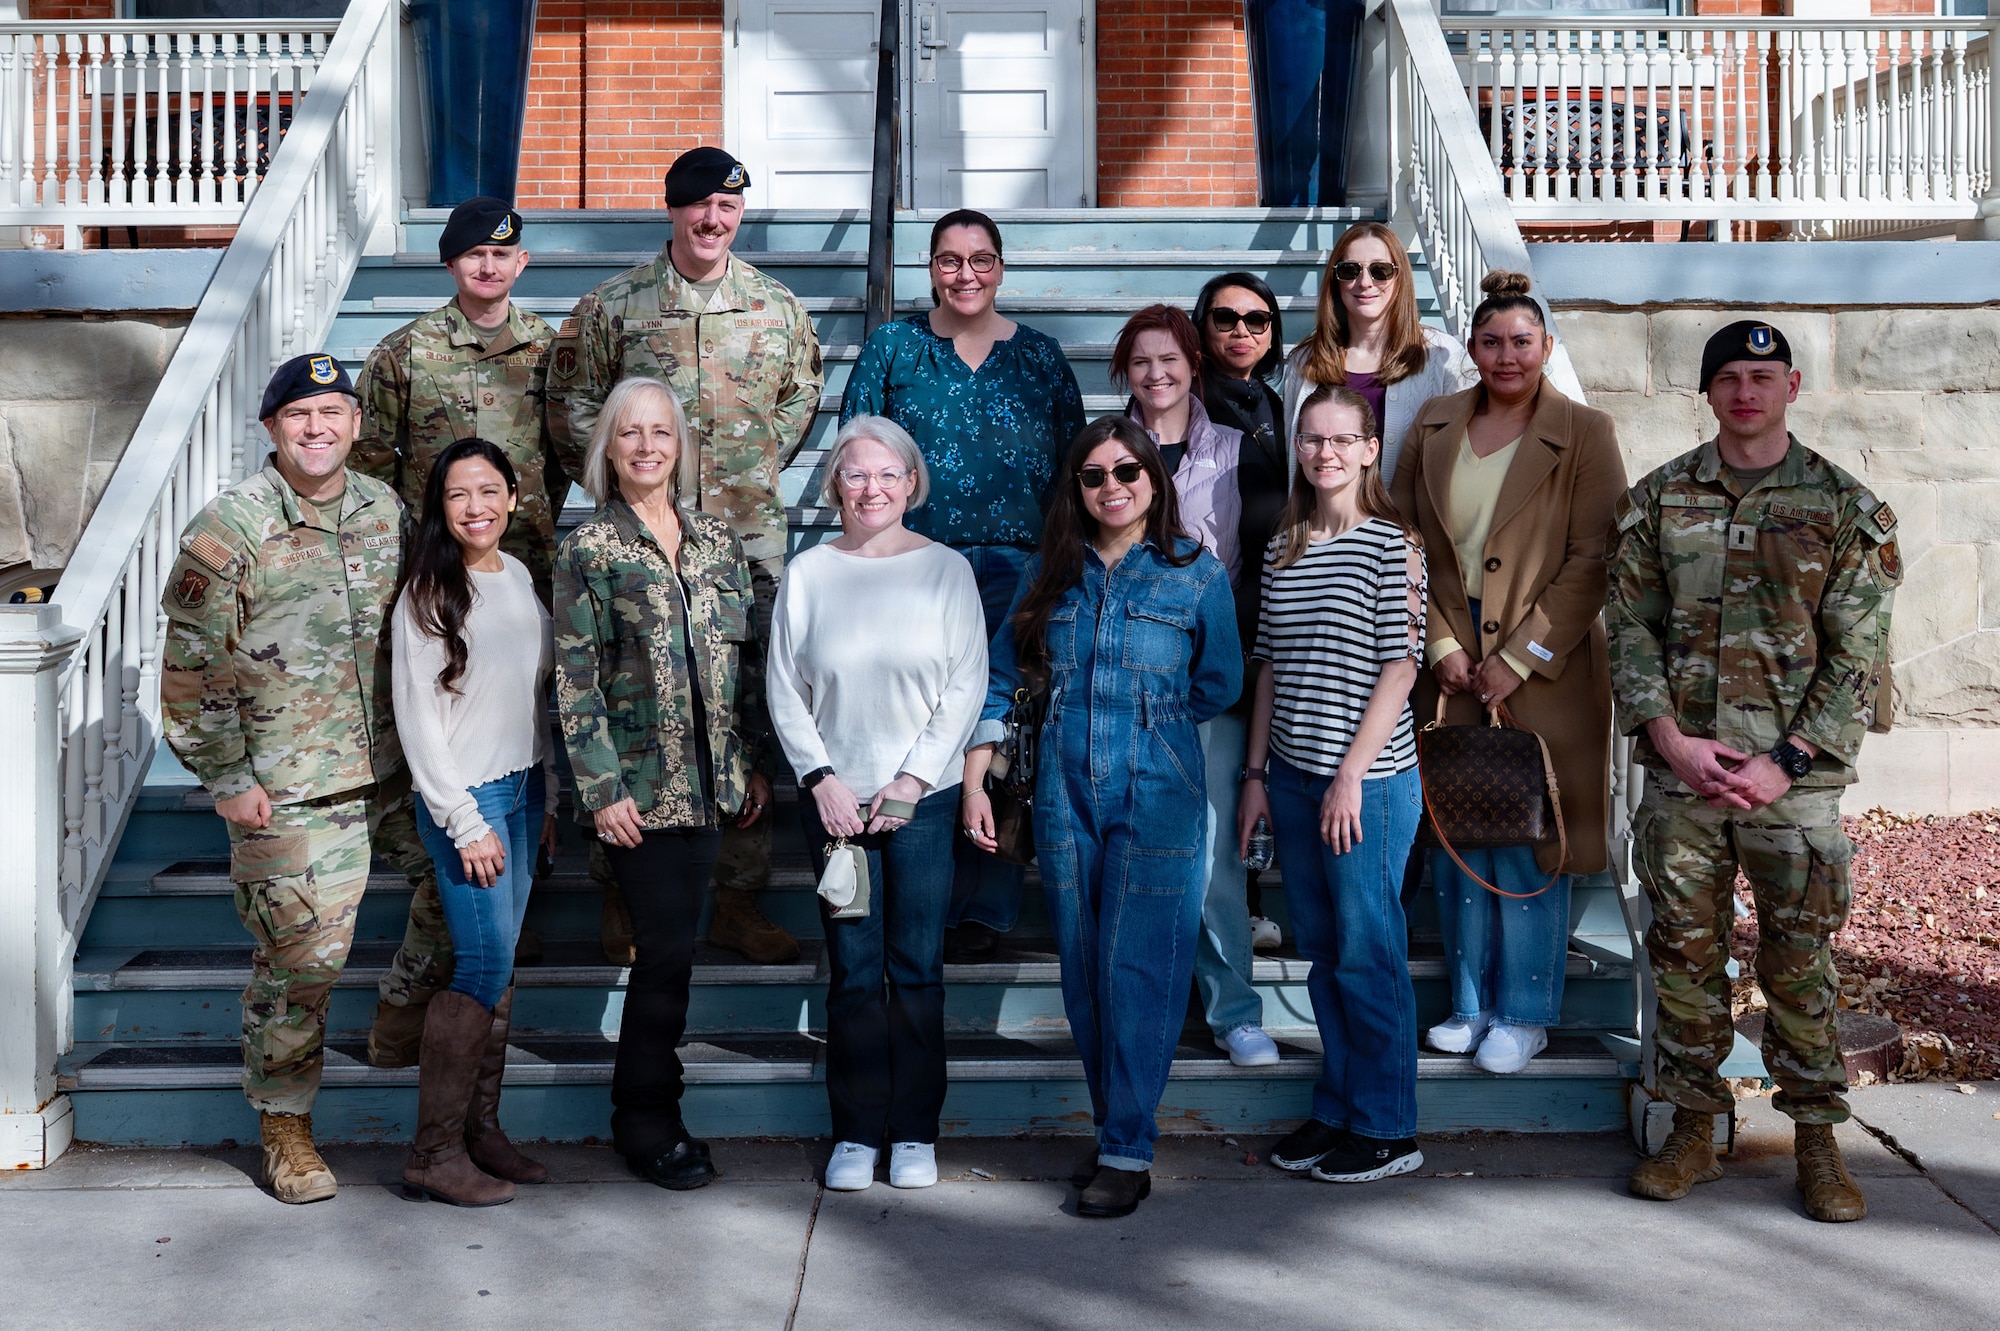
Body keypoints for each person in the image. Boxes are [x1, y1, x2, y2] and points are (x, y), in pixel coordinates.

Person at [1609, 321, 1899, 1224]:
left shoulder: (1843, 507)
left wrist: (1788, 761)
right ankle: (1695, 1128)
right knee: (1684, 955)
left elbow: (1858, 654)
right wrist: (1672, 740)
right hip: (1685, 774)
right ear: (1707, 391)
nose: (1745, 391)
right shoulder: (1661, 498)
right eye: (1729, 376)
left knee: (1800, 961)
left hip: (1795, 786)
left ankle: (1817, 1140)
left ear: (1792, 387)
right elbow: (1629, 628)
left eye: (1762, 376)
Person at [547, 146, 821, 967]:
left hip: (743, 540)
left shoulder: (777, 308)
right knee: (628, 694)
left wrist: (740, 474)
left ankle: (737, 894)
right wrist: (628, 489)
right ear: (672, 210)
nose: (713, 219)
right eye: (699, 204)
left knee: (744, 701)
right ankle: (622, 892)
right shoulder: (614, 306)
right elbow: (574, 408)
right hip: (637, 538)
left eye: (728, 207)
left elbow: (797, 404)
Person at [964, 416, 1241, 1220]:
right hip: (1062, 780)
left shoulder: (1195, 572)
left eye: (1127, 471)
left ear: (1154, 478)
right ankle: (1118, 1121)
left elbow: (1219, 681)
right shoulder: (1049, 570)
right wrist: (978, 774)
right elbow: (1004, 673)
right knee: (1085, 965)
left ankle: (1126, 1148)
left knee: (1140, 965)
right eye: (1093, 475)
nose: (1111, 486)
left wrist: (1154, 722)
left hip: (1159, 781)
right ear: (1076, 488)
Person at [158, 353, 408, 1204]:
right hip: (291, 788)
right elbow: (190, 668)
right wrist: (228, 777)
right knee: (301, 967)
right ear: (272, 427)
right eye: (300, 414)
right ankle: (285, 1124)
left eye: (333, 412)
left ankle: (401, 1012)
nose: (317, 428)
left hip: (395, 771)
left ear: (357, 425)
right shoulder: (232, 527)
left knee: (472, 901)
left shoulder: (385, 509)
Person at [1389, 272, 1627, 1075]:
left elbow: (1594, 556)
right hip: (1454, 663)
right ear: (1473, 349)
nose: (1507, 355)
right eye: (1491, 342)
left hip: (1544, 663)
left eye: (1522, 341)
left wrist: (1520, 656)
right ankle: (1467, 1003)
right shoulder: (1435, 423)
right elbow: (1405, 540)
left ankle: (1525, 1013)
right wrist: (1440, 644)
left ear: (1547, 347)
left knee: (1529, 837)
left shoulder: (1585, 432)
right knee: (1462, 828)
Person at [840, 208, 1088, 963]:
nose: (966, 273)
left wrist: (1058, 569)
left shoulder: (1039, 357)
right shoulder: (895, 348)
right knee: (921, 718)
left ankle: (986, 903)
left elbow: (1074, 473)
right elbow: (856, 454)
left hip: (1018, 569)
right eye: (949, 260)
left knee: (1002, 726)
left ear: (1001, 268)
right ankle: (922, 895)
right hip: (915, 566)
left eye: (981, 259)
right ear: (930, 269)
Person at [554, 376, 774, 1191]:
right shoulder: (588, 549)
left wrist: (751, 758)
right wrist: (601, 788)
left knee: (675, 956)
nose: (646, 446)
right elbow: (575, 679)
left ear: (680, 447)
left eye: (661, 432)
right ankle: (646, 1120)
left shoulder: (717, 540)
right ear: (607, 449)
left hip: (713, 787)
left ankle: (648, 1108)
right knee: (664, 956)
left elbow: (742, 664)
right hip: (638, 794)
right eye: (630, 432)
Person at [354, 196, 561, 1063]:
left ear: (521, 264)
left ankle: (488, 966)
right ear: (450, 265)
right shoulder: (404, 354)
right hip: (440, 589)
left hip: (520, 580)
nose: (488, 265)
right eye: (472, 253)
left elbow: (572, 448)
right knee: (446, 788)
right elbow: (369, 472)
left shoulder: (553, 350)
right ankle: (411, 1001)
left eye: (502, 254)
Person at [766, 416, 987, 1192]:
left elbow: (967, 683)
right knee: (855, 971)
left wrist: (914, 782)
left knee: (917, 969)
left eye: (888, 474)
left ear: (912, 483)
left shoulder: (947, 571)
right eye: (856, 474)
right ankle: (857, 1132)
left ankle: (916, 1130)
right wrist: (820, 777)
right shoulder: (809, 574)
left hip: (921, 806)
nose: (872, 488)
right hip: (837, 813)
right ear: (835, 484)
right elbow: (783, 686)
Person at [1240, 384, 1427, 1186]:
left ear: (1370, 449)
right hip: (1291, 775)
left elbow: (1401, 667)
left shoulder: (1393, 543)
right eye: (1312, 438)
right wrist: (1256, 775)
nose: (1326, 452)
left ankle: (1388, 1126)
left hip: (1369, 783)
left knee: (1368, 952)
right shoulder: (1284, 543)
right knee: (1322, 952)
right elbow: (1268, 667)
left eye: (1343, 439)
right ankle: (1341, 1104)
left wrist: (1350, 775)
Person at [393, 438, 559, 1207]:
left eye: (489, 490)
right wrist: (463, 819)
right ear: (441, 505)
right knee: (483, 966)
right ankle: (433, 1152)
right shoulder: (428, 592)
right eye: (458, 493)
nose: (475, 506)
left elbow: (531, 695)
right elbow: (418, 721)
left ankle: (480, 1132)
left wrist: (547, 795)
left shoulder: (517, 576)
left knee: (504, 963)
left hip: (523, 791)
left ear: (514, 497)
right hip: (468, 799)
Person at [1112, 303, 1277, 1069]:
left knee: (1212, 859)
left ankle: (1234, 1009)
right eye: (1141, 361)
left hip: (1210, 685)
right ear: (1125, 371)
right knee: (1132, 850)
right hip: (1121, 685)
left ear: (1194, 365)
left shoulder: (1241, 454)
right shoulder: (1102, 453)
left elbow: (1259, 571)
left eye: (1170, 359)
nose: (1157, 374)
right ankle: (1138, 1004)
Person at [1192, 271, 1292, 954]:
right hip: (1215, 606)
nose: (1241, 331)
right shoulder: (1187, 402)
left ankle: (1250, 890)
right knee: (1222, 767)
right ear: (1202, 327)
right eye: (1225, 318)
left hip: (1273, 601)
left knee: (1257, 762)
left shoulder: (1279, 404)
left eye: (1257, 320)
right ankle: (1232, 908)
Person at [1283, 221, 1475, 486]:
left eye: (1380, 271)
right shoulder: (1305, 362)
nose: (1365, 282)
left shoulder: (1442, 355)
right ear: (1335, 280)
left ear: (1399, 277)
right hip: (1323, 513)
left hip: (1410, 513)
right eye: (1349, 270)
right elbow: (1293, 463)